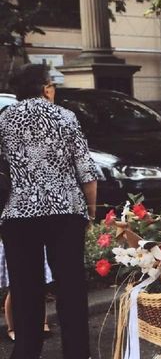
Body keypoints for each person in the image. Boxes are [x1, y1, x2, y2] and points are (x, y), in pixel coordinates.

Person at [0, 63, 99, 359]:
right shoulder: (66, 117)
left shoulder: (4, 121)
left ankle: (27, 351)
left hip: (18, 215)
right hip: (65, 212)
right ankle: (77, 353)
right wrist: (90, 214)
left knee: (25, 289)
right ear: (45, 88)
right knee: (71, 289)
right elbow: (87, 172)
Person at [0, 241, 52, 341]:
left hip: (34, 242)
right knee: (14, 289)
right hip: (14, 243)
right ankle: (11, 329)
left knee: (38, 285)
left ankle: (43, 323)